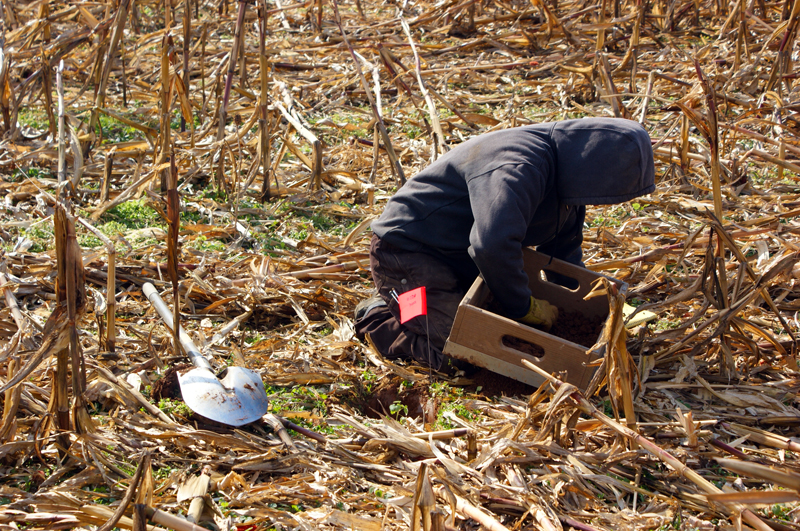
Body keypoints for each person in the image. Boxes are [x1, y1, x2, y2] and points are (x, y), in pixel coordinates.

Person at [354, 117, 656, 372]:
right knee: (466, 353)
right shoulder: (519, 166)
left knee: (488, 341)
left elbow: (563, 260)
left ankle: (436, 301)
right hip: (406, 255)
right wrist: (524, 308)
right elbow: (491, 246)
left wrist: (606, 310)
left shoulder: (567, 184)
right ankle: (379, 314)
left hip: (462, 260)